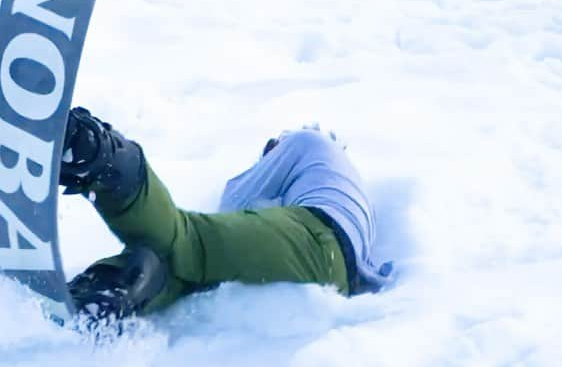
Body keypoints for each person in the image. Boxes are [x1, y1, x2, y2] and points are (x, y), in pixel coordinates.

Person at [61, 107, 393, 322]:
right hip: (333, 270)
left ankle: (98, 152)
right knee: (187, 268)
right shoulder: (345, 187)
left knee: (191, 243)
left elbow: (233, 203)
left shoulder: (307, 144)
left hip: (316, 237)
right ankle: (112, 291)